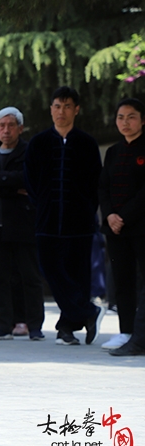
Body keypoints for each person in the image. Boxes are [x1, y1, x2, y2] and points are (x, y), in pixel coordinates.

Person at [24, 86, 105, 346]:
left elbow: (95, 183)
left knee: (78, 274)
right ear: (51, 109)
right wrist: (42, 205)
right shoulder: (39, 143)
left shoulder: (87, 143)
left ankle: (67, 328)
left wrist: (87, 209)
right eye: (57, 106)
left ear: (76, 110)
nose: (62, 111)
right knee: (51, 270)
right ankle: (88, 312)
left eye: (67, 106)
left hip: (79, 222)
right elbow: (31, 181)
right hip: (47, 221)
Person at [0, 107, 45, 342]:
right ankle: (3, 324)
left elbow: (32, 179)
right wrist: (13, 185)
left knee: (30, 276)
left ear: (20, 128)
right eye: (1, 126)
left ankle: (35, 325)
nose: (5, 130)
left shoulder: (30, 152)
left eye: (10, 125)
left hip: (24, 222)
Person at [99, 98, 145, 351]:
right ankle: (125, 331)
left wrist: (124, 215)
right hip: (115, 227)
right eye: (120, 117)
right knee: (122, 280)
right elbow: (103, 188)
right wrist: (110, 216)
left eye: (131, 117)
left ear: (142, 120)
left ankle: (140, 333)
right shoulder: (114, 152)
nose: (125, 122)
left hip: (140, 226)